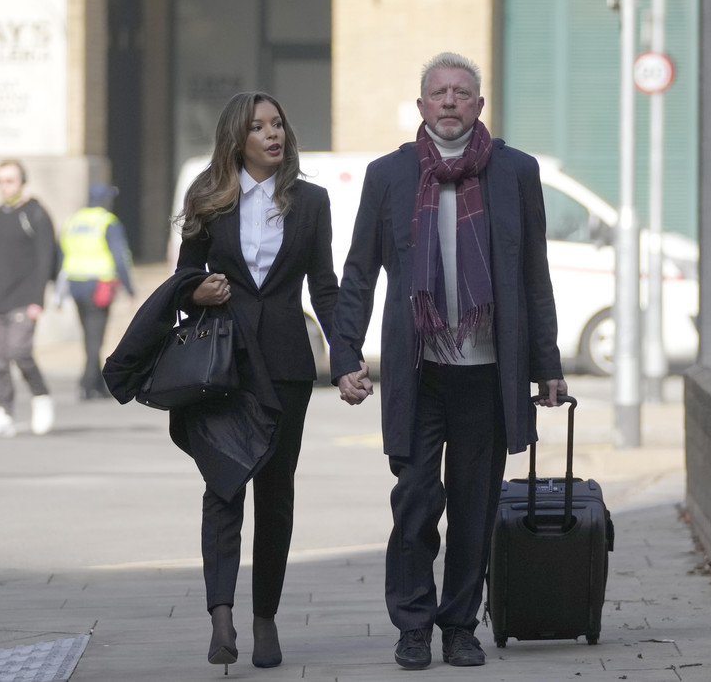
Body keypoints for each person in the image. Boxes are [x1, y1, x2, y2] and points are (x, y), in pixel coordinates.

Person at [329, 52, 568, 670]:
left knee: (473, 508)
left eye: (462, 93)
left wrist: (547, 364)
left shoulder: (515, 172)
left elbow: (533, 274)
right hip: (419, 372)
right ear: (422, 105)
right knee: (414, 503)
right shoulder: (390, 175)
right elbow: (358, 273)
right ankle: (413, 626)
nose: (450, 102)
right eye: (439, 93)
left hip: (487, 375)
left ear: (480, 105)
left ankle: (460, 625)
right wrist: (345, 353)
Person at [174, 91, 338, 671]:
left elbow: (324, 286)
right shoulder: (208, 198)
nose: (273, 134)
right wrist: (198, 290)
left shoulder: (311, 202)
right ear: (236, 139)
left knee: (275, 494)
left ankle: (264, 616)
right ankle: (221, 615)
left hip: (288, 367)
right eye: (259, 127)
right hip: (225, 366)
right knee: (223, 488)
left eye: (278, 124)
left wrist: (346, 359)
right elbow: (183, 279)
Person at [0, 159, 57, 438]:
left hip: (24, 298)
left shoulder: (35, 213)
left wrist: (37, 300)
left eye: (9, 180)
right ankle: (4, 411)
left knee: (19, 351)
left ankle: (41, 396)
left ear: (22, 181)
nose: (4, 186)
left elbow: (46, 258)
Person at [57, 183, 136, 400]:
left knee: (89, 335)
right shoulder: (107, 221)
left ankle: (98, 385)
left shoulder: (73, 221)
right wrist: (129, 287)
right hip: (99, 286)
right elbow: (120, 256)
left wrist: (59, 289)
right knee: (95, 338)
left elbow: (61, 254)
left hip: (76, 285)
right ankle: (86, 383)